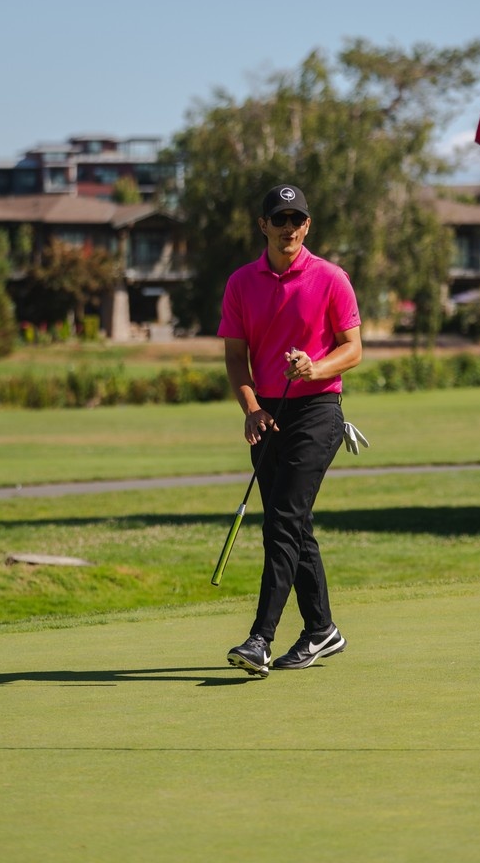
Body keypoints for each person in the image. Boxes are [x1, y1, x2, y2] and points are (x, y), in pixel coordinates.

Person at [217, 183, 362, 677]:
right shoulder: (241, 283)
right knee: (293, 524)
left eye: (296, 220)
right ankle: (322, 629)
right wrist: (251, 406)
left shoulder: (331, 278)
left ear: (307, 226)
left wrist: (316, 368)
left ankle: (260, 638)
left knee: (281, 519)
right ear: (263, 226)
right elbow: (236, 358)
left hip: (319, 411)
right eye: (279, 220)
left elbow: (353, 349)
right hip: (267, 416)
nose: (288, 228)